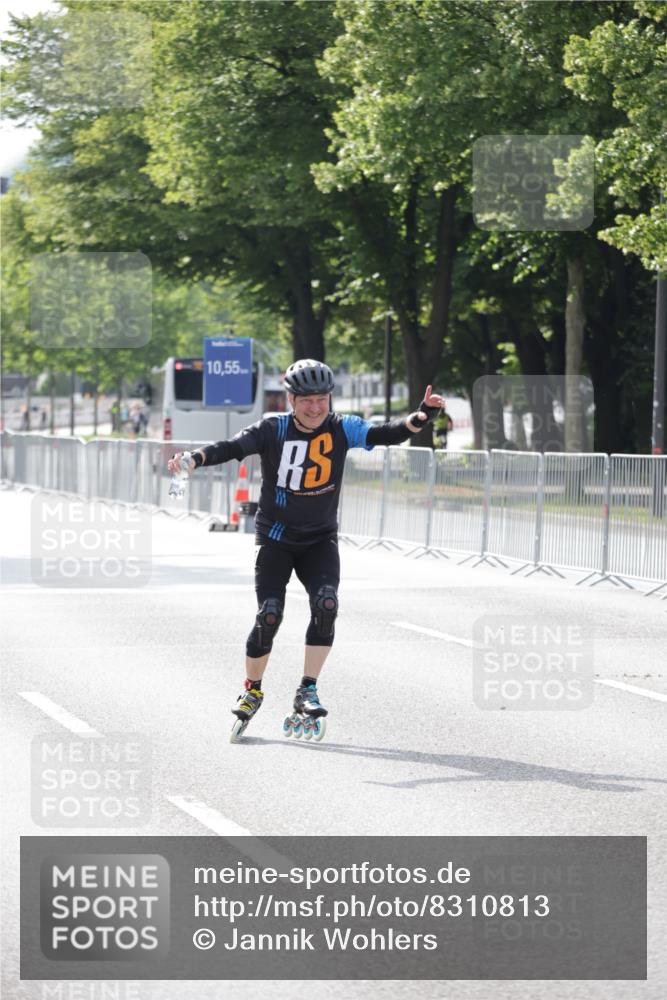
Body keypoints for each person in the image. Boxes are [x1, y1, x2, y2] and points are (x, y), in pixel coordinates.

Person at [167, 359, 444, 742]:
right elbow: (232, 447)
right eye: (307, 401)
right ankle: (252, 689)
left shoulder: (342, 427)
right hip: (277, 539)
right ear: (291, 400)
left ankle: (307, 688)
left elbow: (387, 434)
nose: (316, 408)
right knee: (269, 615)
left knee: (327, 606)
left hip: (319, 540)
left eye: (322, 399)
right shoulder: (273, 428)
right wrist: (195, 459)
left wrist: (420, 417)